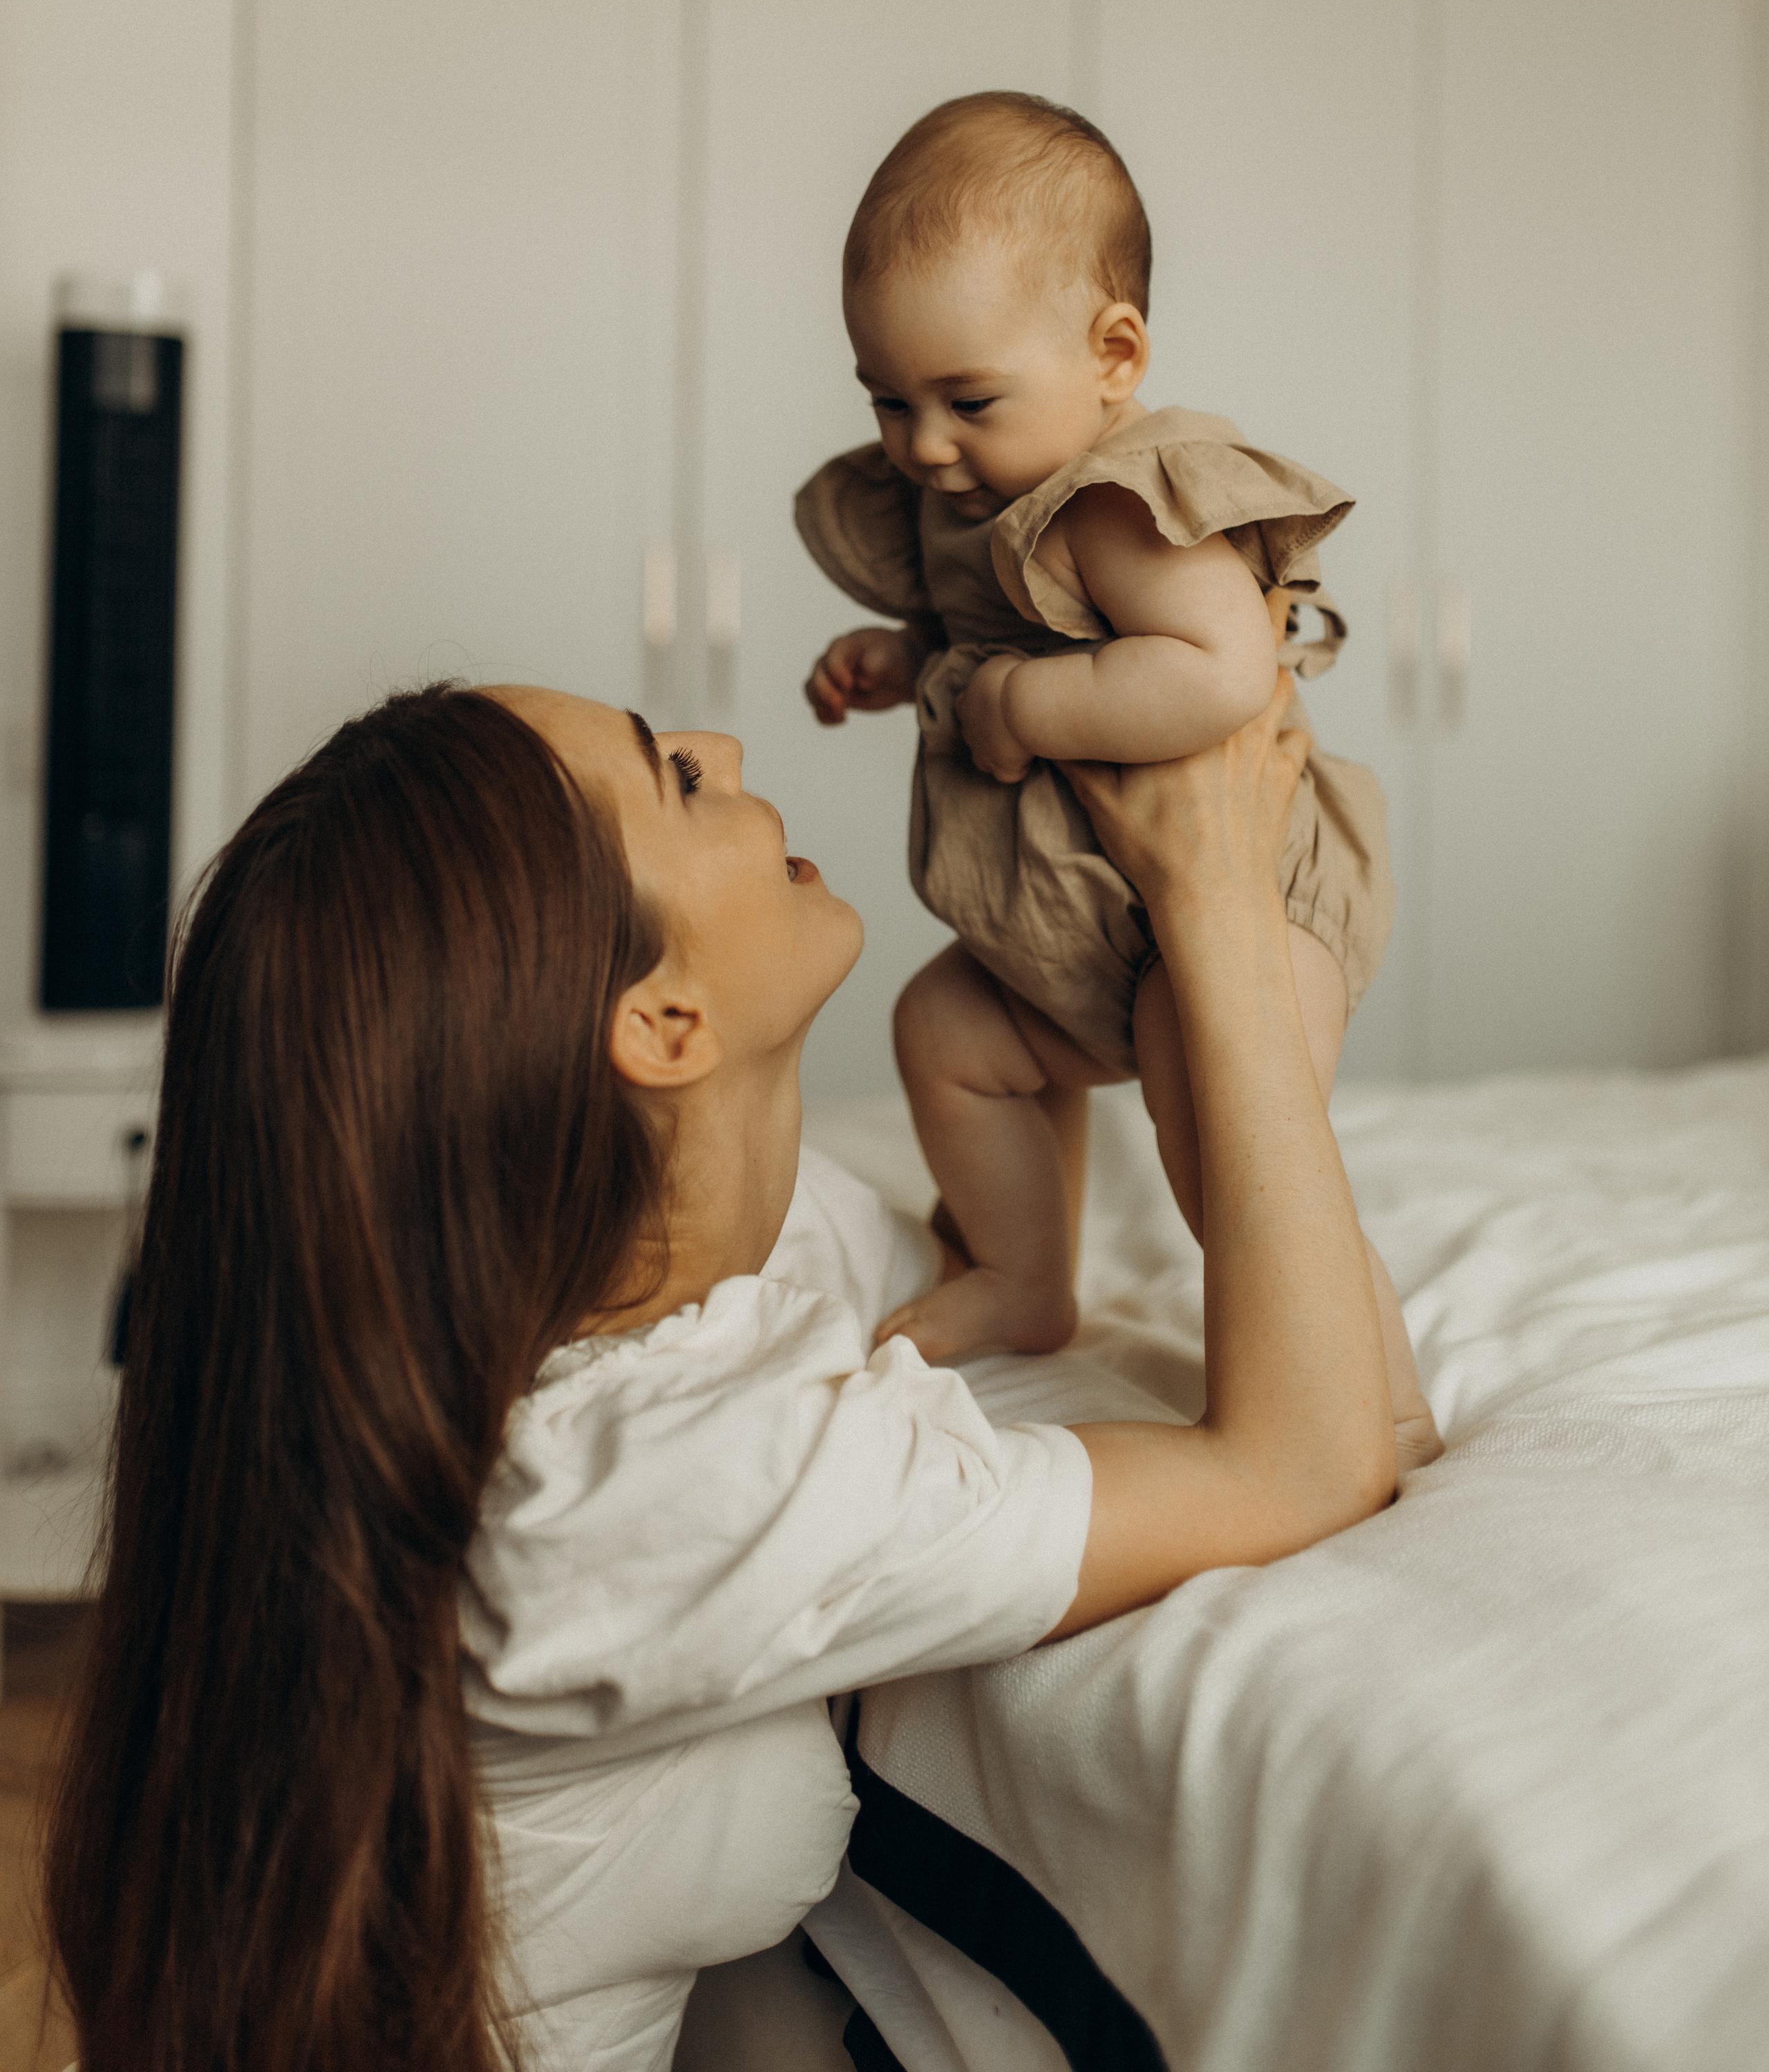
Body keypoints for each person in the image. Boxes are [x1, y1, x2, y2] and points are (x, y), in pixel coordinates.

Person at [46, 670, 1396, 2072]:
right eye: (671, 776)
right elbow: (1301, 1464)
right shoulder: (627, 1495)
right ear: (661, 1023)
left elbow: (978, 1289)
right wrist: (1220, 910)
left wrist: (1048, 908)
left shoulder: (671, 1276)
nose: (726, 747)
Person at [800, 90, 1438, 1469]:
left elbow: (1218, 673)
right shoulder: (966, 498)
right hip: (1075, 933)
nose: (920, 444)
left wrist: (1025, 699)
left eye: (963, 400)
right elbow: (977, 635)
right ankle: (1028, 1280)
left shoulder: (1119, 502)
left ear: (1112, 352)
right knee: (945, 1034)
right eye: (887, 401)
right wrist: (899, 658)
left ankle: (1379, 1398)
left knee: (1227, 1154)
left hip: (1240, 907)